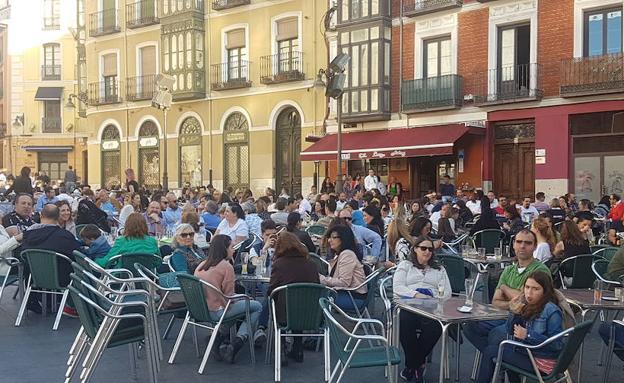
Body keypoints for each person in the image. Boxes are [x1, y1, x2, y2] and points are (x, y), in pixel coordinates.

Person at [463, 230, 550, 356]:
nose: (522, 246)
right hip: (502, 316)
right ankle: (499, 360)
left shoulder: (540, 270)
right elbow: (495, 301)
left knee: (496, 335)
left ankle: (497, 360)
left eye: (528, 243)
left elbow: (525, 301)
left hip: (527, 320)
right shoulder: (509, 270)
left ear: (535, 246)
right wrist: (513, 300)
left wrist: (504, 288)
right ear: (513, 244)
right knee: (468, 326)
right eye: (519, 242)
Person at [476, 270, 564, 383]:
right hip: (528, 353)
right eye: (527, 287)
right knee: (500, 347)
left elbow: (557, 345)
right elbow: (510, 331)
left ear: (545, 291)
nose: (529, 293)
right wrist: (514, 312)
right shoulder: (528, 305)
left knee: (491, 352)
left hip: (542, 362)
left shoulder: (551, 310)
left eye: (535, 289)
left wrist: (527, 335)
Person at [194, 235, 262, 363]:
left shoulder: (201, 265)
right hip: (218, 311)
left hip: (201, 310)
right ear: (223, 249)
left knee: (239, 307)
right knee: (256, 306)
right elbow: (229, 297)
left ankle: (217, 338)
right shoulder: (226, 267)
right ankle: (238, 341)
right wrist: (244, 300)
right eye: (231, 247)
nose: (234, 250)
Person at [394, 236, 452, 381]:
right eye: (423, 248)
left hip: (432, 307)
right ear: (415, 249)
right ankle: (418, 364)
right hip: (409, 305)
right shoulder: (406, 265)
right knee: (405, 321)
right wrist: (417, 294)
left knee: (436, 326)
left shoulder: (439, 269)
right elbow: (398, 287)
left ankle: (411, 365)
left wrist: (430, 295)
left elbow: (447, 293)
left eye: (430, 249)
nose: (427, 252)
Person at [264, 232, 320, 362]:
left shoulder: (279, 264)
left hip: (286, 313)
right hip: (310, 313)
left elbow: (272, 290)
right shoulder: (311, 264)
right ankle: (298, 347)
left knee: (281, 302)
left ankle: (282, 346)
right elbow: (317, 285)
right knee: (299, 301)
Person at [21, 204, 81, 315]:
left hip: (34, 279)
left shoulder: (27, 236)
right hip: (61, 279)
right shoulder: (65, 236)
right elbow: (78, 255)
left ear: (40, 215)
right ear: (58, 216)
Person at [319, 225, 367, 310]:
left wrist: (321, 279)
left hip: (353, 298)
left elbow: (344, 282)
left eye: (334, 237)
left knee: (317, 298)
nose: (330, 240)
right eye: (329, 237)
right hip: (346, 294)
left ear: (343, 238)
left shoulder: (347, 254)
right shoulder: (341, 254)